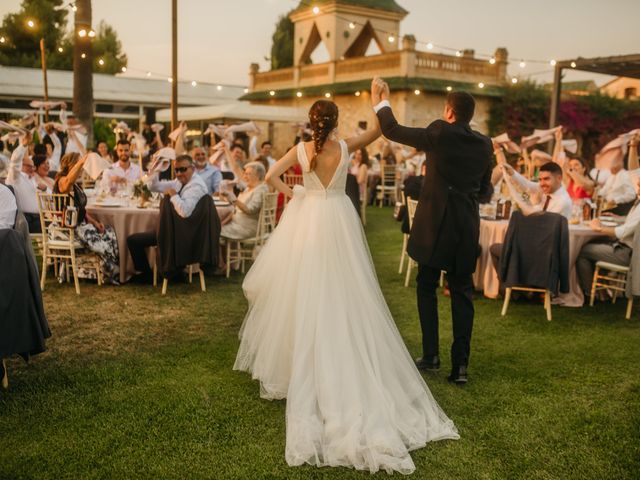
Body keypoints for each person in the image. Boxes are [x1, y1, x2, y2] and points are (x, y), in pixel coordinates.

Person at [234, 95, 459, 474]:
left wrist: (298, 195)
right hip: (338, 218)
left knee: (302, 290)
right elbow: (376, 132)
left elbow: (272, 178)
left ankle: (301, 365)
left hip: (308, 219)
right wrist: (379, 100)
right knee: (345, 290)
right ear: (335, 121)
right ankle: (339, 355)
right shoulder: (344, 146)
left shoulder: (301, 149)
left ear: (310, 121)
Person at [372, 77, 493, 384]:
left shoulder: (440, 131)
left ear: (449, 112)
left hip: (436, 225)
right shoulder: (484, 143)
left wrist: (380, 101)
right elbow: (485, 190)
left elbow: (392, 130)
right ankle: (461, 367)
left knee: (426, 284)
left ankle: (431, 355)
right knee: (462, 292)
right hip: (466, 226)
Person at [126, 154, 208, 283]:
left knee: (133, 240)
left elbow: (185, 211)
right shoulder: (180, 181)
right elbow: (153, 187)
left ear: (192, 168)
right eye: (176, 170)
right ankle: (149, 274)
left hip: (183, 237)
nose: (179, 173)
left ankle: (150, 275)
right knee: (134, 239)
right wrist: (158, 169)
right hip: (174, 231)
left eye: (183, 169)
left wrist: (174, 195)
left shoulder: (195, 186)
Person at [54, 153, 120, 284]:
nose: (82, 168)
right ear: (70, 165)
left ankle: (108, 271)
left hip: (82, 224)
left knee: (109, 232)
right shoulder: (61, 180)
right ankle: (109, 272)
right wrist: (81, 161)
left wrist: (95, 222)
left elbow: (81, 210)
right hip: (69, 228)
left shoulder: (76, 185)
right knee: (102, 243)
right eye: (79, 165)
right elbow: (67, 183)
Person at [577, 176, 640, 302]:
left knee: (582, 250)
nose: (638, 182)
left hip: (628, 254)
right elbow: (629, 224)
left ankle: (590, 294)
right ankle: (602, 291)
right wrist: (615, 218)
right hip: (625, 249)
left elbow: (622, 233)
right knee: (594, 243)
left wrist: (599, 228)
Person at [219, 162, 269, 239]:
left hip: (248, 228)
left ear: (258, 175)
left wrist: (234, 199)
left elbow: (251, 210)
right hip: (237, 224)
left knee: (213, 230)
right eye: (245, 173)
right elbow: (236, 209)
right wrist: (227, 194)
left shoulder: (261, 189)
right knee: (214, 226)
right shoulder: (249, 188)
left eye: (248, 174)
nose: (244, 176)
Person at [5, 133, 43, 233]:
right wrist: (23, 145)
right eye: (29, 166)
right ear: (21, 166)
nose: (32, 169)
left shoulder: (33, 179)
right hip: (25, 219)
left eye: (33, 166)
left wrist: (44, 189)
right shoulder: (15, 177)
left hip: (39, 217)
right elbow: (15, 162)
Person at [598, 151, 636, 215]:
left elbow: (631, 195)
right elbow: (605, 190)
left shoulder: (625, 176)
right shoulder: (611, 177)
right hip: (607, 207)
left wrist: (615, 200)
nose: (610, 168)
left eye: (611, 165)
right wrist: (597, 193)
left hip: (619, 209)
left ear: (619, 164)